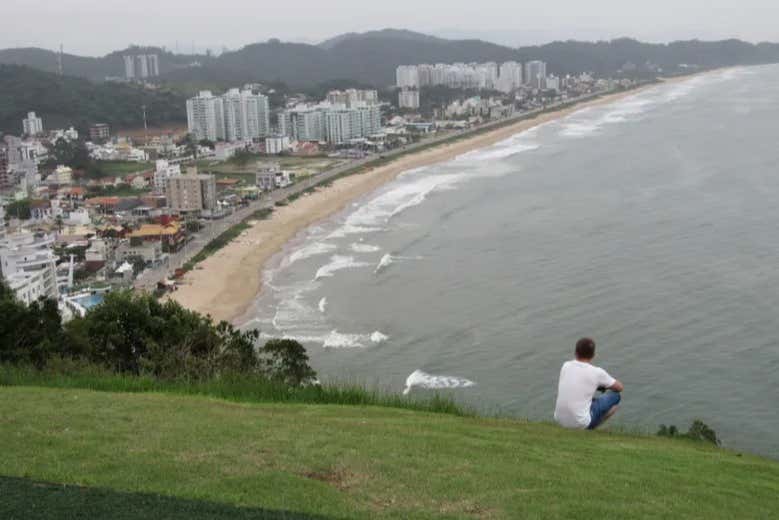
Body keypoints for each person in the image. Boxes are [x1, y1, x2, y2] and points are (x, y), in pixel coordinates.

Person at [554, 337, 624, 430]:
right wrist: (602, 386)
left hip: (559, 420)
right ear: (593, 355)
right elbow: (619, 388)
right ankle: (591, 428)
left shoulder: (565, 366)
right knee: (615, 397)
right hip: (580, 423)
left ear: (575, 352)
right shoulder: (597, 372)